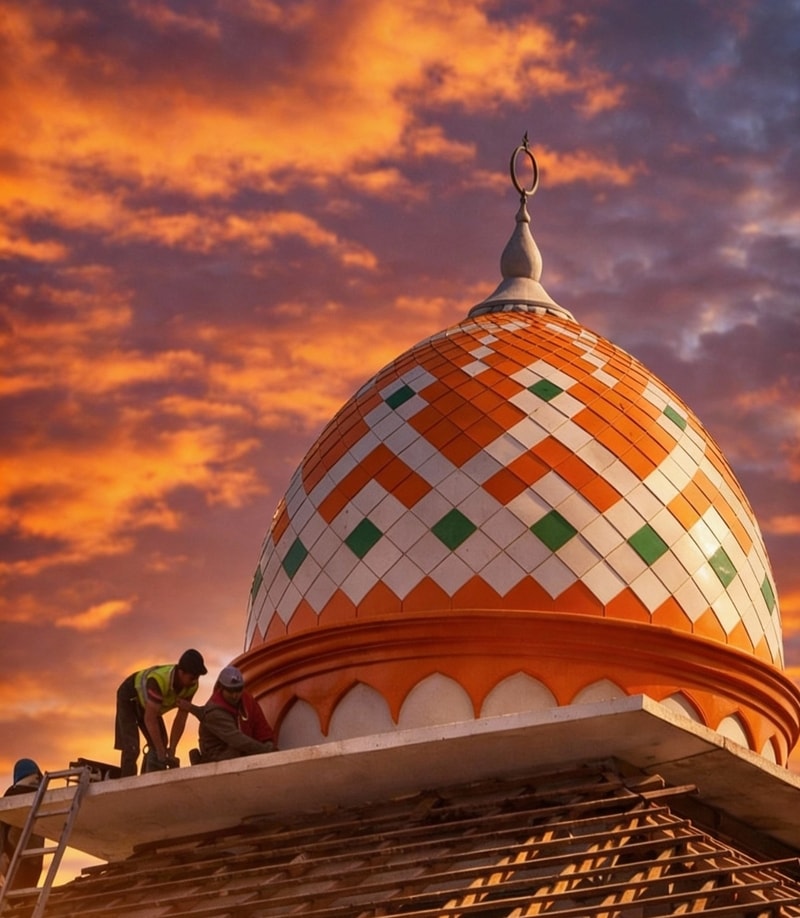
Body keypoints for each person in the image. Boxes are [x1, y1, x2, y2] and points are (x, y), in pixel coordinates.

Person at [115, 649, 207, 777]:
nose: (194, 681)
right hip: (129, 696)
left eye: (197, 677)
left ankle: (147, 779)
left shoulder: (191, 686)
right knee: (132, 747)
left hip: (150, 705)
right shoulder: (158, 681)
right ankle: (126, 784)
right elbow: (150, 718)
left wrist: (172, 749)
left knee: (162, 743)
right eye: (192, 677)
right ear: (181, 672)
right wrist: (160, 752)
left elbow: (181, 719)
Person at [181, 666, 276, 763]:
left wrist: (268, 741)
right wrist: (266, 750)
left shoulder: (247, 699)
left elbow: (260, 724)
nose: (235, 695)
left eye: (238, 689)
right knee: (238, 751)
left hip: (240, 751)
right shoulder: (214, 712)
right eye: (230, 691)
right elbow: (237, 740)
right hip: (217, 756)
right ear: (221, 688)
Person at [0, 759, 44, 892]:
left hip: (14, 856)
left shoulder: (10, 798)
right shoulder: (40, 797)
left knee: (15, 894)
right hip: (33, 859)